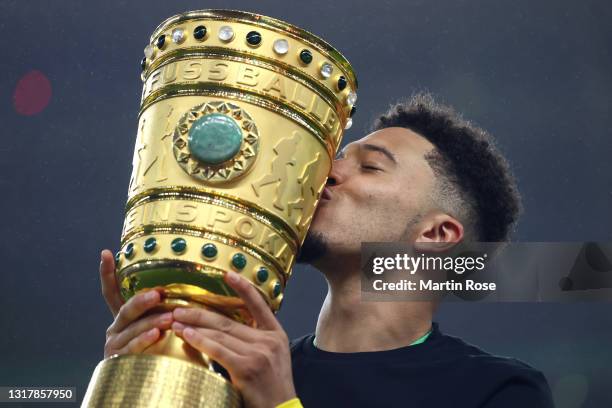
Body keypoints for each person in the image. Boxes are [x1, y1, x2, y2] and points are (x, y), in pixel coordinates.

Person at [99, 93, 554, 408]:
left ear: (436, 234)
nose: (327, 173)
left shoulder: (496, 391)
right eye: (336, 158)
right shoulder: (230, 372)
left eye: (371, 167)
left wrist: (280, 402)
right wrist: (140, 373)